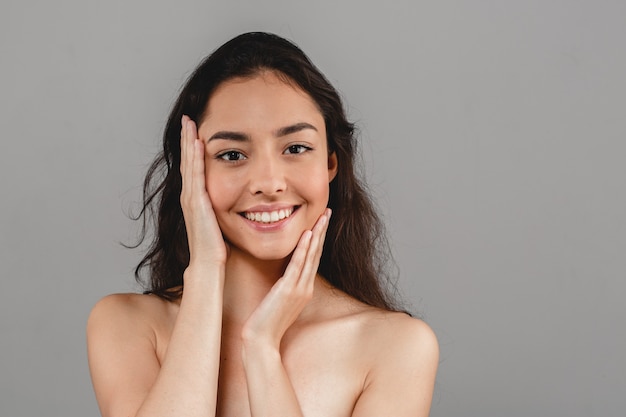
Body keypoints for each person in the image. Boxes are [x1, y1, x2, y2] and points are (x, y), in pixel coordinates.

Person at [87, 32, 438, 417]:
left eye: (295, 148)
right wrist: (204, 272)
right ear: (193, 170)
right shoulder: (126, 326)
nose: (268, 183)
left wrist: (262, 349)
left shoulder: (397, 347)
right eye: (233, 154)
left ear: (331, 163)